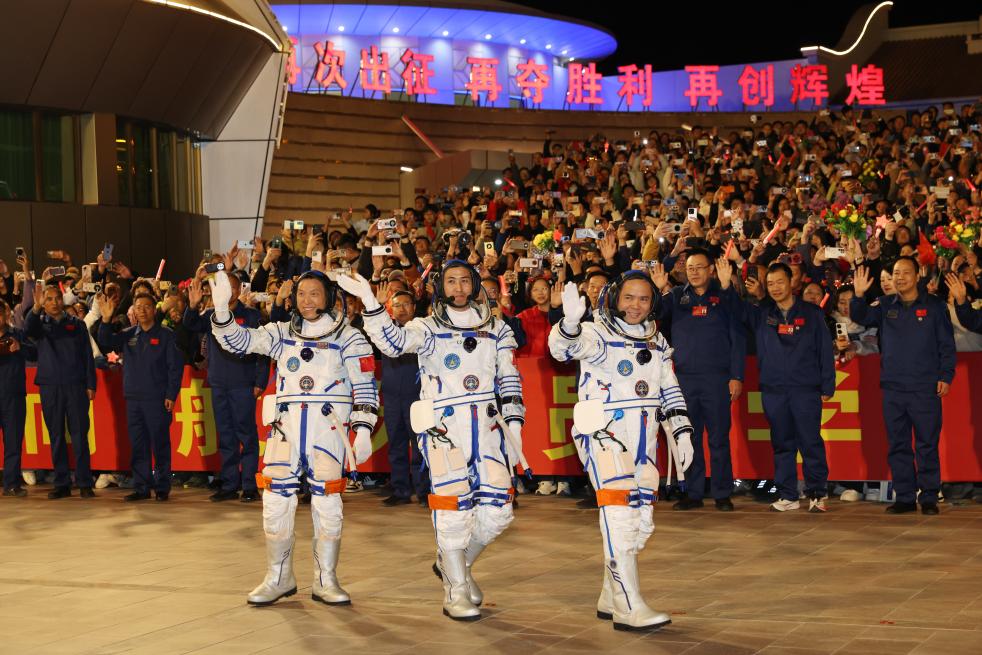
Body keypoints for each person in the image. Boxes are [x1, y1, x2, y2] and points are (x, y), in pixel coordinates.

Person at [339, 261, 527, 622]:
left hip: (488, 429)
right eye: (451, 281)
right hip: (443, 430)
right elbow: (393, 344)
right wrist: (371, 304)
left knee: (499, 512)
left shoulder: (496, 328)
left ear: (475, 286)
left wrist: (515, 423)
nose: (458, 288)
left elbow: (509, 376)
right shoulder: (427, 328)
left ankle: (454, 563)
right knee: (452, 510)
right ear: (441, 287)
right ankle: (455, 590)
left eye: (465, 281)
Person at [209, 269, 378, 606]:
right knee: (274, 503)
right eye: (301, 294)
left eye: (314, 293)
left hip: (327, 430)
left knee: (328, 504)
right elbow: (240, 342)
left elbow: (365, 385)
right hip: (286, 428)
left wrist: (362, 428)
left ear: (329, 297)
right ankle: (279, 576)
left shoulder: (350, 337)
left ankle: (326, 579)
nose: (306, 300)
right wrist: (223, 311)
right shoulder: (282, 332)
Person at [548, 271, 695, 632]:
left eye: (644, 299)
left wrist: (681, 431)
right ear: (615, 298)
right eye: (629, 297)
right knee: (620, 516)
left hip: (644, 437)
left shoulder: (656, 339)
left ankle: (609, 594)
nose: (636, 306)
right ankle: (629, 606)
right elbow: (564, 349)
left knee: (640, 519)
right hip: (604, 434)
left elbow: (668, 387)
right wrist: (569, 324)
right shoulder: (598, 333)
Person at [851, 260, 956, 515]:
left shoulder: (935, 306)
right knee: (898, 444)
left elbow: (946, 344)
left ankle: (929, 496)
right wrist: (859, 295)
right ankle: (905, 497)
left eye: (905, 273)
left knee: (926, 444)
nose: (899, 278)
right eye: (896, 273)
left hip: (924, 387)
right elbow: (861, 317)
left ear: (917, 276)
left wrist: (945, 375)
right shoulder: (885, 304)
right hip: (893, 387)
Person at [652, 251, 744, 512]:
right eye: (690, 268)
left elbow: (738, 335)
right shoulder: (676, 296)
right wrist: (658, 290)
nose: (693, 272)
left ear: (711, 269)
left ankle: (722, 493)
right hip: (684, 380)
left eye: (699, 267)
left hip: (717, 379)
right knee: (688, 437)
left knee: (718, 439)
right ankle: (693, 492)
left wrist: (736, 376)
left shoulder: (723, 295)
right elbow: (655, 314)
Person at [743, 263, 834, 512]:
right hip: (773, 390)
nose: (775, 288)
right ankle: (788, 495)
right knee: (782, 443)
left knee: (810, 442)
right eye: (770, 284)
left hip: (805, 389)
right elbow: (739, 309)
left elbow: (825, 349)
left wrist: (827, 384)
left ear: (791, 281)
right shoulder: (763, 313)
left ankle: (817, 493)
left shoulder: (812, 313)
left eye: (780, 282)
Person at [184, 269, 270, 503]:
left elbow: (263, 352)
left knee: (247, 435)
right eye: (224, 287)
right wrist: (192, 305)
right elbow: (190, 324)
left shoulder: (251, 315)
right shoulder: (212, 315)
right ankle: (230, 484)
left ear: (239, 289)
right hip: (219, 384)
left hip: (243, 384)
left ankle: (249, 485)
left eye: (232, 287)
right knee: (225, 435)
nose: (228, 292)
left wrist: (260, 381)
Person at [96, 293, 183, 501]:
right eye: (138, 307)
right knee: (138, 444)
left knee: (160, 443)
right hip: (133, 399)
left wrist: (171, 394)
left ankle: (162, 487)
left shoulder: (166, 335)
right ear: (133, 310)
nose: (142, 310)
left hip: (157, 399)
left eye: (146, 306)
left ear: (154, 309)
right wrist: (106, 320)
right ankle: (141, 487)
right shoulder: (128, 334)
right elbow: (106, 341)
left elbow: (175, 368)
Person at [23, 281, 97, 499]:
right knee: (55, 435)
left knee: (80, 435)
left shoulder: (77, 324)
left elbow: (87, 356)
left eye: (57, 298)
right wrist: (35, 308)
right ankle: (62, 483)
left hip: (75, 385)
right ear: (43, 303)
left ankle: (84, 482)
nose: (54, 302)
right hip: (50, 386)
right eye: (49, 299)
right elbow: (28, 330)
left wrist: (91, 384)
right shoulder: (39, 324)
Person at [378, 289, 430, 506]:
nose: (401, 309)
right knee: (396, 444)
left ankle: (424, 491)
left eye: (406, 304)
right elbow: (368, 328)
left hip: (417, 396)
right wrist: (377, 307)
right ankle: (400, 490)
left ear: (414, 307)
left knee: (421, 445)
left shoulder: (423, 330)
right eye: (397, 305)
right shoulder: (384, 331)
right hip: (392, 397)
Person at [1, 299, 35, 497]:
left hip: (13, 396)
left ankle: (12, 483)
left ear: (6, 315)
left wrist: (19, 347)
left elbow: (34, 353)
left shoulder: (17, 335)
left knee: (13, 442)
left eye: (0, 313)